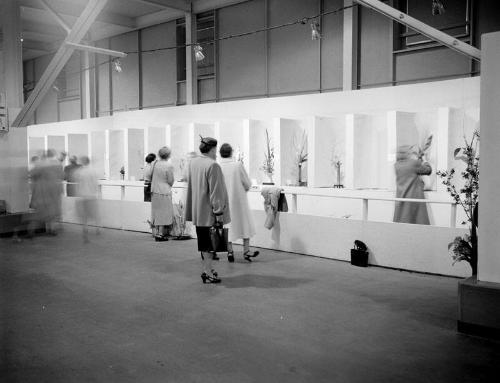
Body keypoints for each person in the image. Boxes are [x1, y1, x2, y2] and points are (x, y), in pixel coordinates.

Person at [185, 137, 230, 284]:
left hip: (199, 210)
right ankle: (209, 272)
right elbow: (216, 192)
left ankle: (206, 270)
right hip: (210, 212)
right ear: (212, 149)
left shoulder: (194, 163)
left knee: (204, 243)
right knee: (211, 245)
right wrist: (218, 213)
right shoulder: (213, 166)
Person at [219, 143, 259, 262]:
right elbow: (247, 183)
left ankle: (230, 252)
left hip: (225, 201)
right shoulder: (237, 165)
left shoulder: (218, 166)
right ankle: (246, 251)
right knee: (244, 224)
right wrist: (243, 190)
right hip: (239, 201)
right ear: (231, 152)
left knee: (227, 226)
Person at [393, 145, 432, 225]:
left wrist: (418, 160)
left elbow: (410, 172)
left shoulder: (396, 165)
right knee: (418, 222)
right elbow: (428, 170)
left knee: (403, 222)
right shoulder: (413, 164)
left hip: (402, 198)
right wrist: (425, 160)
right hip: (414, 198)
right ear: (407, 153)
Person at [28, 149, 63, 236]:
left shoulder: (41, 164)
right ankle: (52, 230)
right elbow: (62, 176)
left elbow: (31, 174)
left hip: (42, 191)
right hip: (54, 192)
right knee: (52, 212)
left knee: (38, 212)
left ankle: (31, 231)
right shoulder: (57, 164)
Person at [150, 146, 175, 241]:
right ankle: (160, 234)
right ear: (168, 155)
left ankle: (157, 233)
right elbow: (170, 180)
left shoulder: (154, 163)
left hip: (155, 190)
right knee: (164, 212)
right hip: (164, 191)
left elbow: (148, 175)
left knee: (157, 211)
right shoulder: (168, 165)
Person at [74, 156, 99, 242]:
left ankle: (85, 229)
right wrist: (95, 192)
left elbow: (77, 183)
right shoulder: (92, 171)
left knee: (84, 215)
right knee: (93, 213)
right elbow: (95, 184)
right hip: (91, 196)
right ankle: (97, 228)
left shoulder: (79, 171)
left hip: (81, 196)